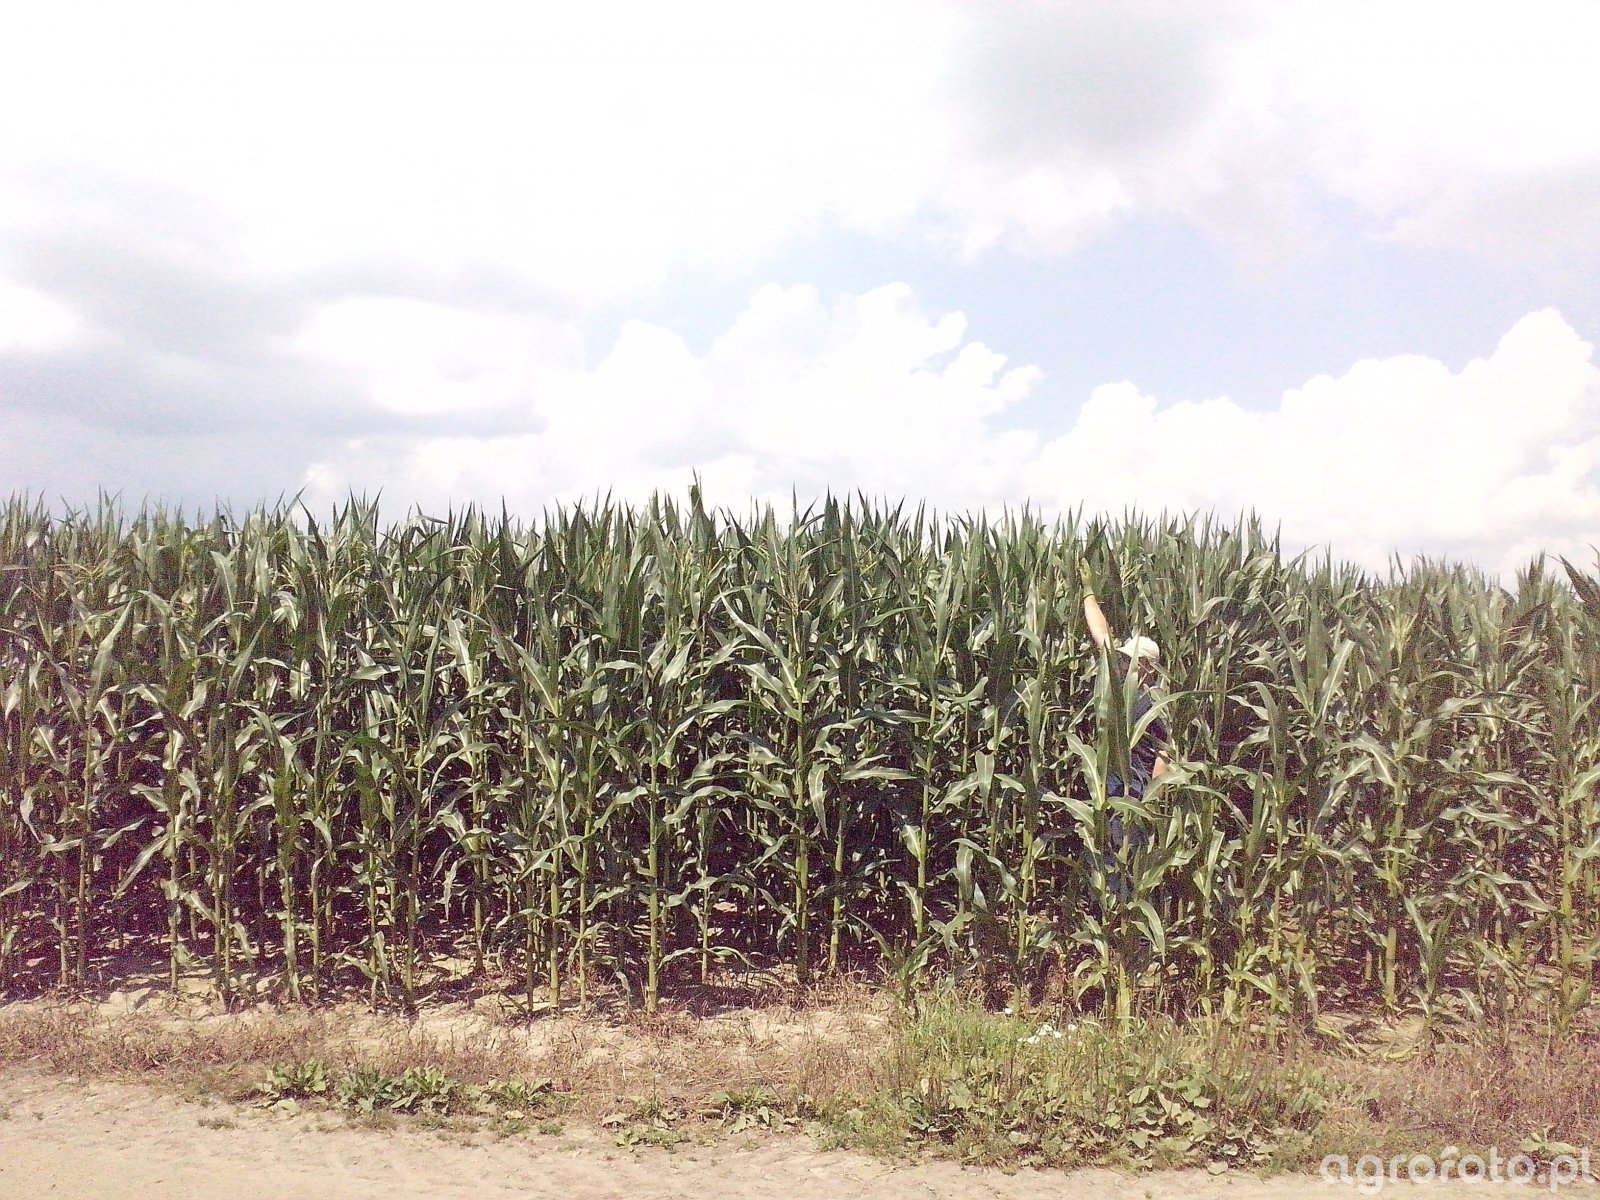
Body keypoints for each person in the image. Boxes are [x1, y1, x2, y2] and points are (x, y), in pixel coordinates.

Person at [1077, 560, 1169, 902]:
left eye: (1131, 661)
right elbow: (1103, 638)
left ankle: (1126, 917)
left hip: (1136, 793)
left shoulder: (1155, 703)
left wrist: (1151, 804)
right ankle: (1104, 911)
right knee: (1102, 858)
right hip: (1108, 787)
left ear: (1147, 668)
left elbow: (1164, 755)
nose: (1122, 664)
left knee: (1128, 859)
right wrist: (1088, 592)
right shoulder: (1120, 686)